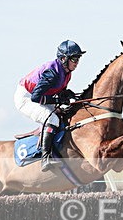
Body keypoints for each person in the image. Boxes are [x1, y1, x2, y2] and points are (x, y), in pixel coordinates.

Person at [15, 40, 85, 171]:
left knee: (64, 114)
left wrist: (64, 94)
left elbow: (56, 92)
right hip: (26, 98)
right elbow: (36, 97)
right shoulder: (51, 73)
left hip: (38, 96)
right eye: (74, 59)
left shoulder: (67, 72)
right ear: (64, 58)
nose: (77, 63)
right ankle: (45, 158)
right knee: (52, 120)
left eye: (78, 59)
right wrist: (57, 99)